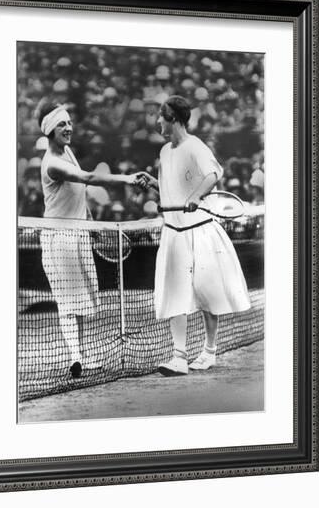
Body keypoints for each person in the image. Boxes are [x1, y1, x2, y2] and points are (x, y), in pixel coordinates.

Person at [142, 95, 251, 375]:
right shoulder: (165, 152)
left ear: (174, 120)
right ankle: (179, 357)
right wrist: (153, 184)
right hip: (174, 234)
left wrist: (196, 195)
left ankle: (209, 351)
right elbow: (171, 189)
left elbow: (214, 173)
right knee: (174, 294)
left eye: (161, 117)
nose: (157, 122)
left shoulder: (196, 146)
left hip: (200, 232)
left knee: (208, 293)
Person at [38, 102, 147, 378]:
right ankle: (75, 357)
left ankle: (81, 357)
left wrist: (89, 222)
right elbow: (87, 177)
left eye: (69, 123)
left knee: (82, 302)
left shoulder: (68, 151)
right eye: (62, 124)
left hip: (79, 233)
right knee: (67, 302)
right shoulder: (52, 163)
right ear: (50, 130)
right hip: (58, 238)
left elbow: (79, 190)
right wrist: (128, 178)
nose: (69, 128)